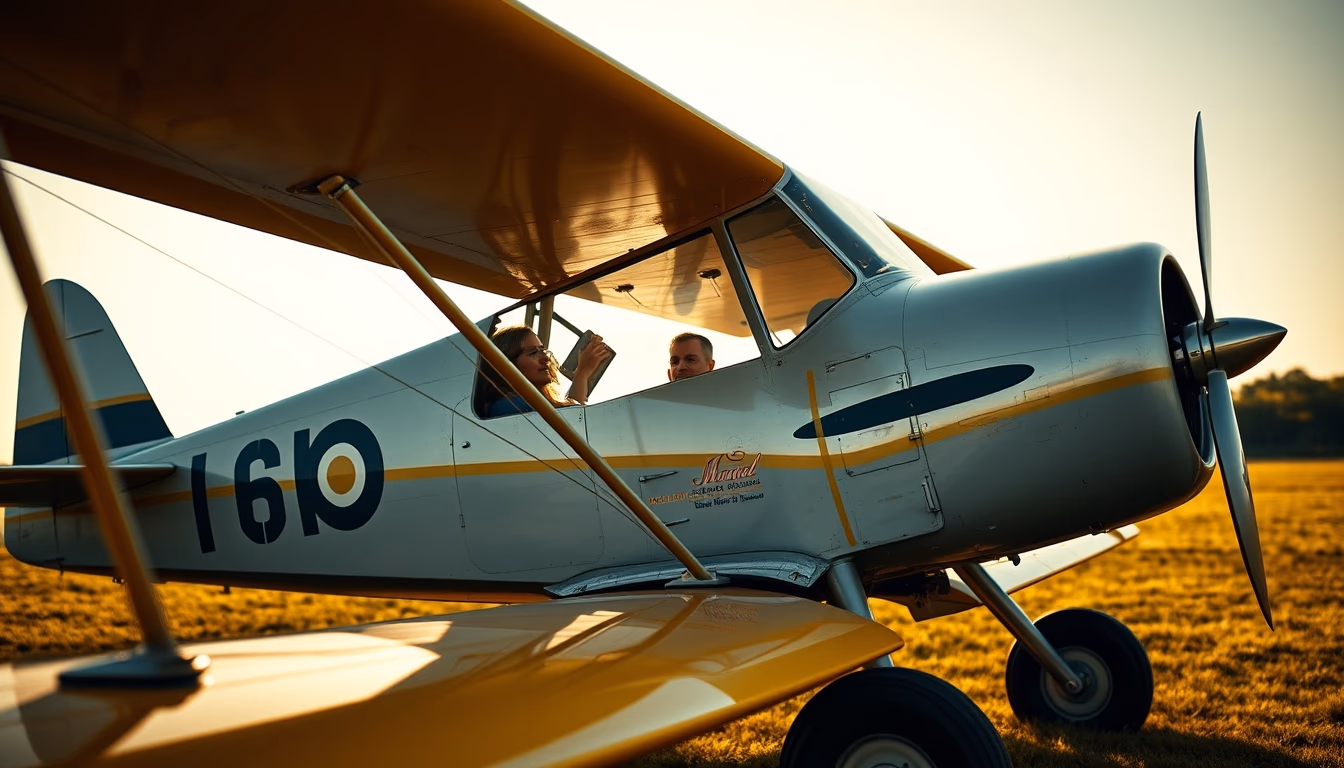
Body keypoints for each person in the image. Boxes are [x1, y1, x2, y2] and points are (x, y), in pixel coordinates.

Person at [478, 325, 612, 417]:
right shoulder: (510, 406)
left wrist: (582, 373)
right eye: (532, 353)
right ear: (507, 364)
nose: (545, 358)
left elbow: (572, 418)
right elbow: (572, 424)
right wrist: (582, 374)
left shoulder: (531, 404)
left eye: (542, 350)